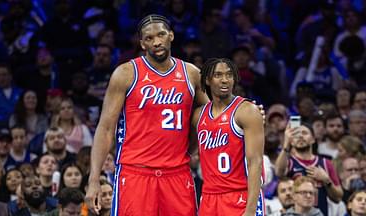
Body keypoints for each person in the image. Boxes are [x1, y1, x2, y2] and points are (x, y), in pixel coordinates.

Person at [85, 14, 209, 215]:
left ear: (171, 35)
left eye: (161, 35)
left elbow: (213, 116)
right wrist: (93, 180)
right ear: (142, 44)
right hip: (136, 173)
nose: (157, 42)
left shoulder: (192, 73)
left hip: (177, 173)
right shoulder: (126, 73)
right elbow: (106, 128)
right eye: (149, 38)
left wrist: (247, 115)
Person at [190, 58, 264, 215]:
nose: (225, 80)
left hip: (240, 195)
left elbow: (255, 162)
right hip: (209, 197)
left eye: (229, 75)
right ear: (208, 81)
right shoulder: (198, 116)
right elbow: (188, 150)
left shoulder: (247, 111)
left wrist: (250, 210)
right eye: (218, 75)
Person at [275, 123, 343, 215]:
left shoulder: (325, 163)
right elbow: (279, 172)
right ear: (291, 141)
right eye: (296, 134)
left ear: (313, 139)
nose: (300, 137)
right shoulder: (288, 162)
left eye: (304, 133)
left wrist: (326, 180)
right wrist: (286, 145)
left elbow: (338, 198)